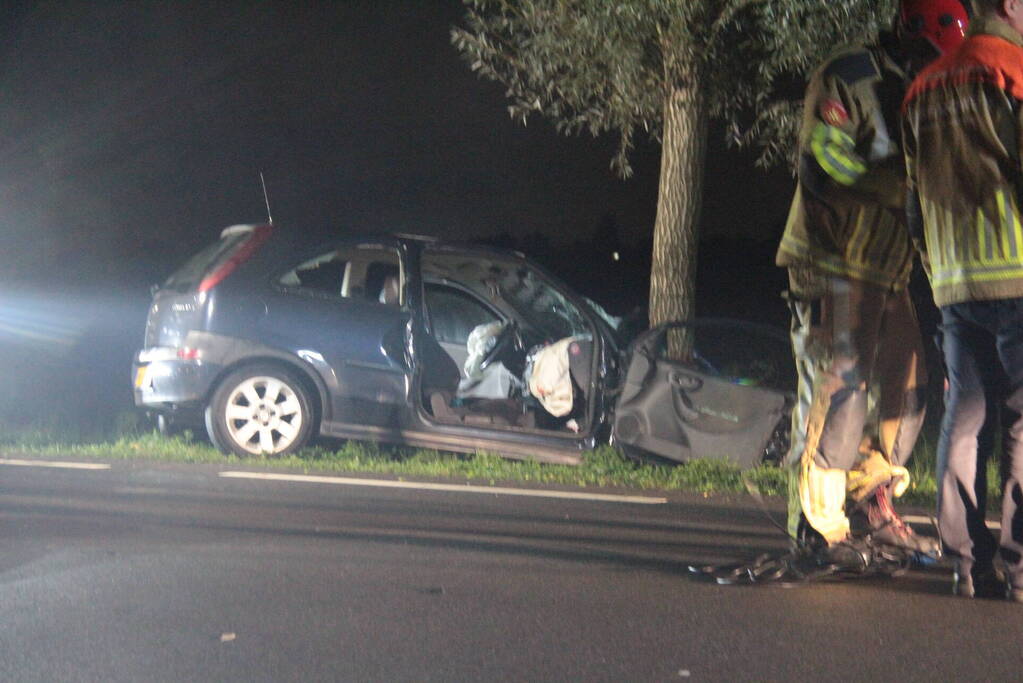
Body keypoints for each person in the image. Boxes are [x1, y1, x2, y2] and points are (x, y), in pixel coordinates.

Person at [777, 0, 968, 567]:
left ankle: (872, 504)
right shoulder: (851, 74)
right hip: (835, 261)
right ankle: (817, 529)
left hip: (889, 272)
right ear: (914, 30)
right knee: (842, 395)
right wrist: (897, 188)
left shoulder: (922, 88)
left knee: (909, 393)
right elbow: (821, 160)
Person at [903, 0, 1023, 600]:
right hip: (1019, 279)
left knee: (966, 419)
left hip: (954, 283)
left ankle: (968, 564)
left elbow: (912, 198)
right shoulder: (1013, 71)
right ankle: (1022, 565)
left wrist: (935, 270)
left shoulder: (922, 88)